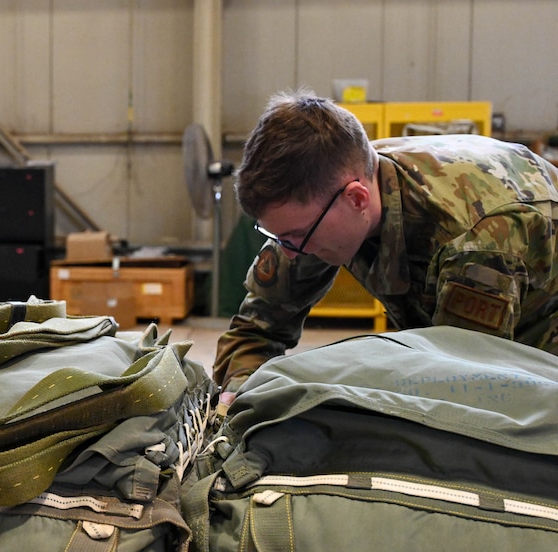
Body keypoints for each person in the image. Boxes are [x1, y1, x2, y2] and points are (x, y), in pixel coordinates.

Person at [214, 89, 558, 407]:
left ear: (357, 198)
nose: (289, 253)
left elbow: (459, 393)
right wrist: (243, 391)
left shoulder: (475, 240)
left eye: (296, 236)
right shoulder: (320, 202)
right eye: (278, 237)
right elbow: (256, 330)